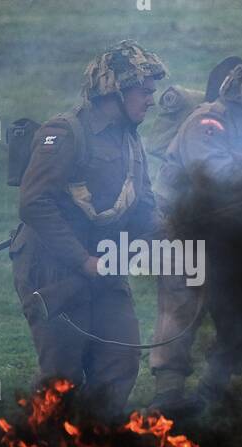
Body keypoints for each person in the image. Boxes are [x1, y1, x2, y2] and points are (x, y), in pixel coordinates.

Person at [11, 40, 167, 416]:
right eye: (144, 91)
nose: (151, 100)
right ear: (115, 88)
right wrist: (83, 261)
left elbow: (142, 203)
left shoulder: (130, 140)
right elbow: (34, 203)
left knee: (120, 365)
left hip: (104, 267)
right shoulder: (65, 134)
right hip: (54, 267)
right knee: (61, 378)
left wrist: (176, 232)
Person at [147, 57, 242, 414]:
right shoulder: (207, 122)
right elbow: (212, 176)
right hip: (186, 228)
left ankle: (213, 389)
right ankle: (167, 396)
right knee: (183, 305)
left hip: (234, 232)